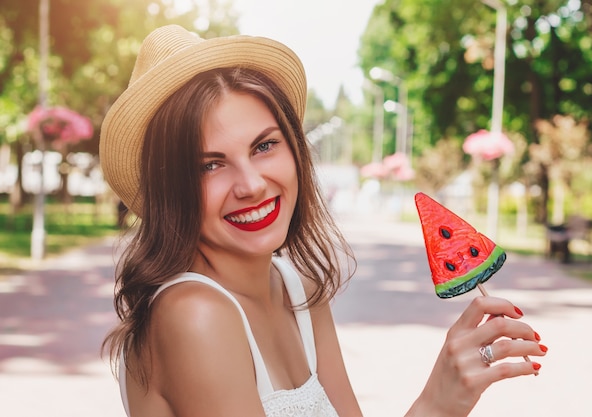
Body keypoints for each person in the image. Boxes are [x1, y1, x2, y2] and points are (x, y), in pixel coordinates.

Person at [100, 25, 547, 417]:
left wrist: (451, 396)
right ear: (171, 188)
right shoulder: (194, 316)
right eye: (210, 165)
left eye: (263, 146)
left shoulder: (302, 291)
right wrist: (437, 402)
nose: (252, 184)